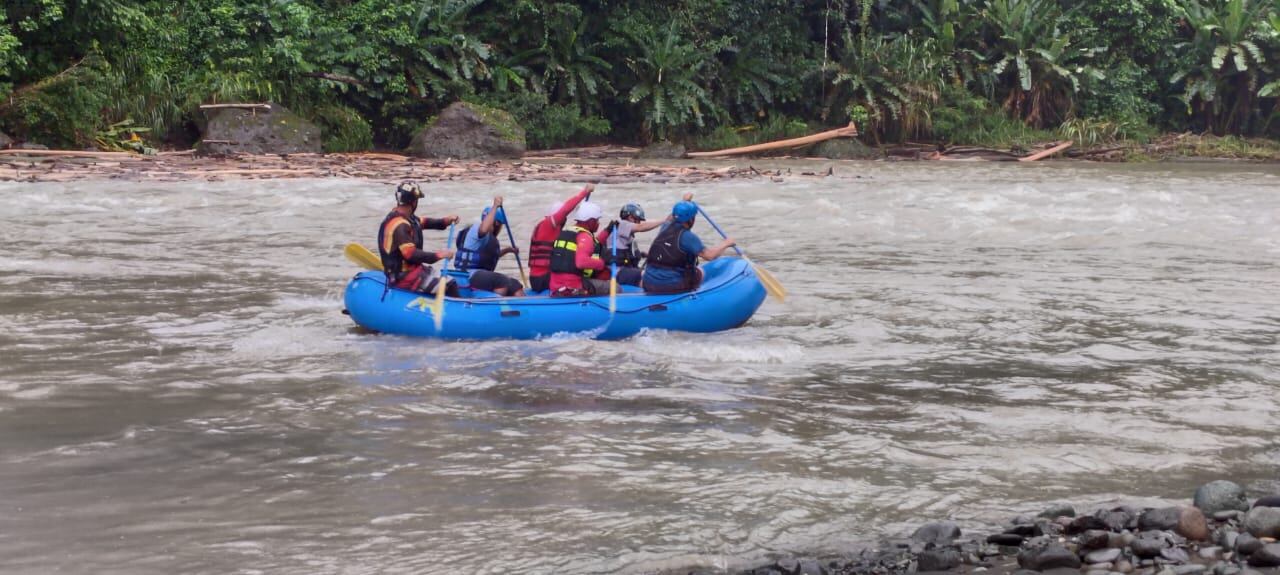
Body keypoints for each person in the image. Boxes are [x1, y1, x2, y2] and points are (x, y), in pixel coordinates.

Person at [641, 194, 736, 294]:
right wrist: (726, 243)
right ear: (691, 219)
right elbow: (709, 256)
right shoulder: (688, 237)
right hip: (671, 285)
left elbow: (672, 216)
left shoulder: (665, 226)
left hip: (648, 283)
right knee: (700, 272)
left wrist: (684, 201)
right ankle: (694, 298)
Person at [377, 181, 460, 295]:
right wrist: (440, 255)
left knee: (448, 279)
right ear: (413, 202)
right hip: (404, 276)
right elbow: (411, 254)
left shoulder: (406, 217)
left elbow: (424, 222)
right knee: (450, 285)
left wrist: (445, 221)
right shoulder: (400, 225)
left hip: (412, 270)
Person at [453, 196, 525, 296]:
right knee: (501, 281)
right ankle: (498, 308)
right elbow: (483, 229)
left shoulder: (485, 238)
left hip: (475, 274)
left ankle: (522, 308)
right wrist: (495, 206)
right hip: (467, 275)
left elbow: (487, 256)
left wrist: (508, 250)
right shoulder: (477, 229)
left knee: (515, 285)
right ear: (496, 223)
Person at [528, 183, 594, 293]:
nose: (565, 219)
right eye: (564, 218)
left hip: (541, 277)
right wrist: (585, 192)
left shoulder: (554, 230)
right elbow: (565, 209)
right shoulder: (547, 225)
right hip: (542, 278)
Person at [548, 200, 611, 297]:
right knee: (615, 287)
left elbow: (595, 243)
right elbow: (581, 262)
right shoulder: (585, 236)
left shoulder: (564, 232)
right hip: (573, 285)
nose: (598, 223)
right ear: (591, 221)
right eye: (597, 220)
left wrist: (608, 230)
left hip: (555, 285)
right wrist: (601, 263)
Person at [597, 202, 665, 286]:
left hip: (624, 270)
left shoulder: (627, 235)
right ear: (630, 217)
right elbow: (641, 227)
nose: (639, 222)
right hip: (616, 272)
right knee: (646, 275)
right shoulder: (621, 224)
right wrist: (664, 221)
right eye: (638, 220)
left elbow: (630, 254)